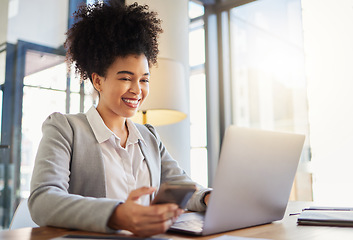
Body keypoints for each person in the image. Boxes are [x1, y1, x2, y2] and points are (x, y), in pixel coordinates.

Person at [28, 0, 211, 237]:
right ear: (98, 81)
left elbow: (184, 187)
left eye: (144, 79)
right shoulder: (65, 129)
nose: (137, 90)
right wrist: (118, 214)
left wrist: (208, 197)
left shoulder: (149, 137)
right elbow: (43, 201)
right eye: (126, 78)